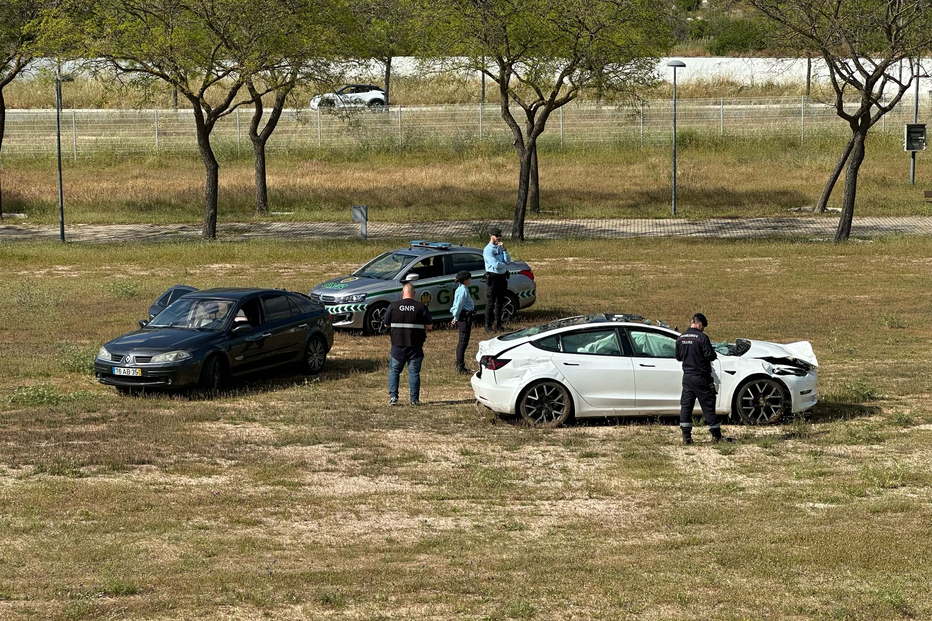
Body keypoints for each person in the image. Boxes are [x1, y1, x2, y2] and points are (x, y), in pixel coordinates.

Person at [675, 312, 728, 444]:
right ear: (699, 323)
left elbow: (678, 357)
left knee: (686, 406)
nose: (703, 328)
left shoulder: (680, 338)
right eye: (703, 326)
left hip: (687, 377)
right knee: (708, 405)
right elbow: (710, 355)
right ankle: (716, 436)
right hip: (701, 377)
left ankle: (686, 437)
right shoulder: (702, 338)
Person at [383, 283, 432, 406]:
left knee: (394, 371)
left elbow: (386, 324)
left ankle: (393, 398)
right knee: (414, 373)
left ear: (402, 293)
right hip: (415, 347)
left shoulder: (393, 306)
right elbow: (429, 325)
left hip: (397, 347)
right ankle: (414, 400)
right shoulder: (421, 307)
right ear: (414, 293)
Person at [483, 225, 511, 333]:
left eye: (500, 235)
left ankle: (498, 324)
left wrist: (504, 250)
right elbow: (495, 265)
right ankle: (488, 325)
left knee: (500, 302)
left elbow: (508, 260)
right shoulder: (488, 250)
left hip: (502, 278)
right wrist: (504, 264)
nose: (499, 237)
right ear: (491, 236)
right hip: (493, 278)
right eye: (497, 236)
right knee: (491, 303)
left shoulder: (500, 247)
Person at [450, 270, 476, 374]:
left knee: (463, 342)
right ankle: (460, 366)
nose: (471, 280)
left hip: (464, 316)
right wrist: (455, 317)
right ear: (465, 280)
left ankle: (460, 365)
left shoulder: (461, 289)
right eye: (469, 278)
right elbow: (459, 305)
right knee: (463, 342)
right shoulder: (463, 291)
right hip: (464, 317)